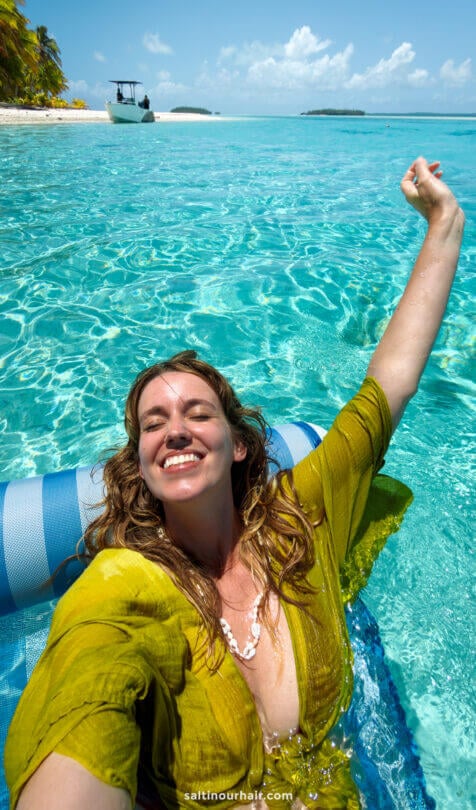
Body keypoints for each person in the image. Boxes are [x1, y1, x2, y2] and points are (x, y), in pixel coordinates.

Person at [5, 157, 464, 809]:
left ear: (241, 443)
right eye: (154, 424)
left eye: (198, 413)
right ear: (140, 464)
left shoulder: (302, 515)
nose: (176, 430)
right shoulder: (124, 587)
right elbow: (88, 686)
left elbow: (388, 388)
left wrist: (444, 223)